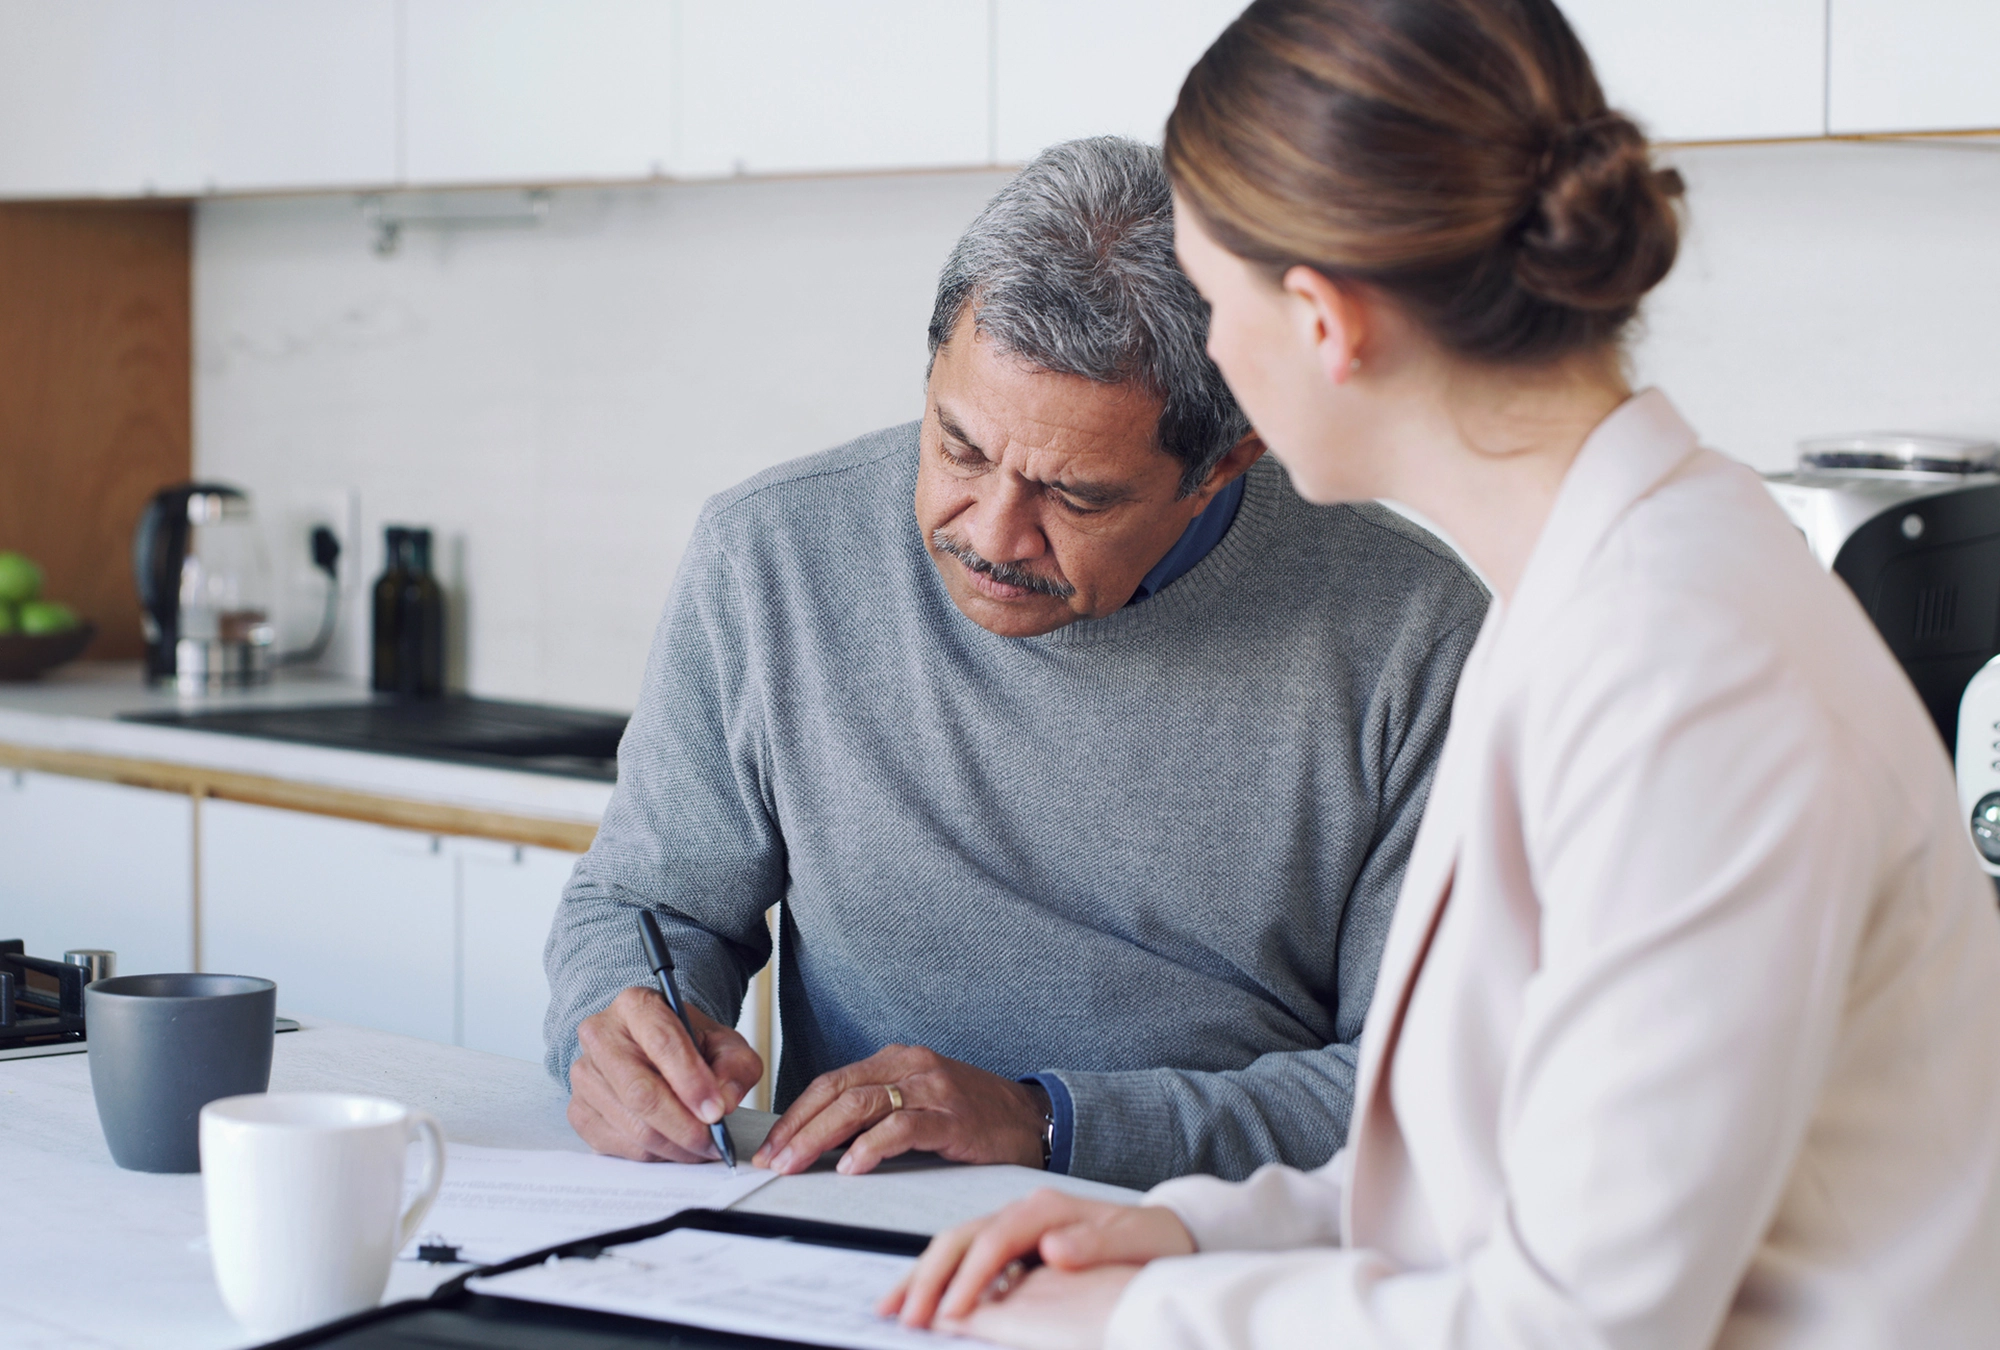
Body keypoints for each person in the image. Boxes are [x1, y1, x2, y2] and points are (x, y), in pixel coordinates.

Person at [888, 2, 2000, 1345]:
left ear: (1322, 323)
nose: (1214, 362)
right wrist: (1195, 1224)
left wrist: (1135, 1317)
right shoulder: (1597, 584)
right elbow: (1510, 1165)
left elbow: (1576, 1325)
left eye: (1209, 295)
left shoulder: (1685, 670)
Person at [543, 136, 1488, 1192]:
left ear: (1226, 460)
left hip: (1218, 1256)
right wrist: (627, 1029)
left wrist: (1053, 1124)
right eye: (958, 447)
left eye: (1076, 498)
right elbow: (645, 905)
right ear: (934, 361)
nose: (992, 534)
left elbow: (1428, 1087)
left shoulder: (1414, 636)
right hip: (851, 1235)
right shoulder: (769, 555)